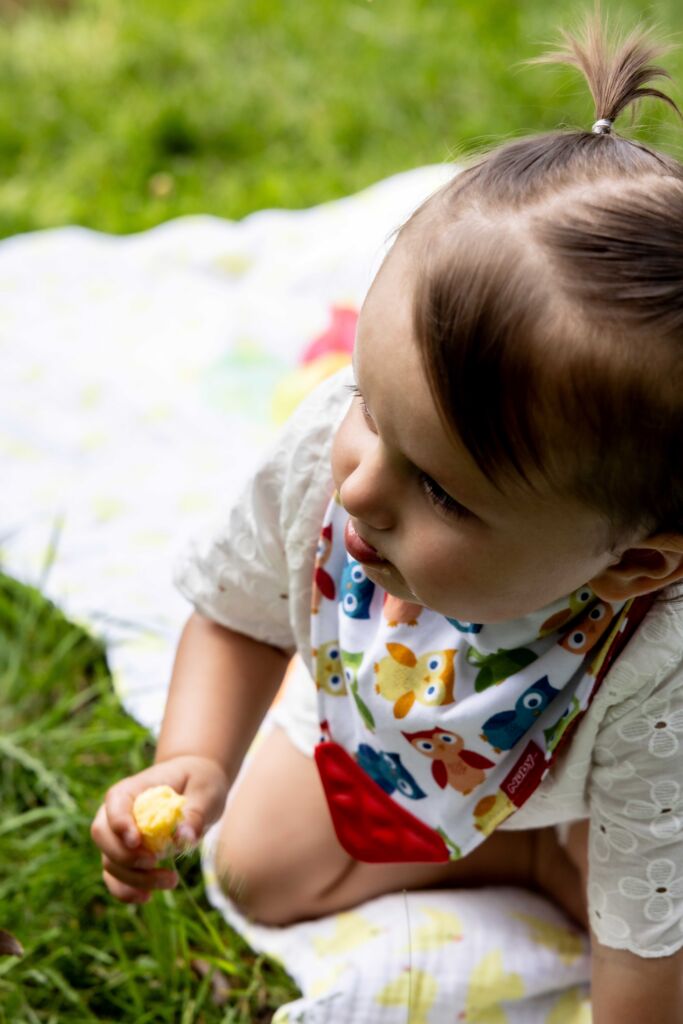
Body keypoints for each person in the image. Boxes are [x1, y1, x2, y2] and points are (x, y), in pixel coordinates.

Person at [92, 13, 683, 1021]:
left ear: (627, 565)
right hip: (397, 727)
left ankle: (548, 845)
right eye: (372, 403)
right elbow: (237, 609)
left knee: (639, 922)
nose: (362, 487)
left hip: (612, 785)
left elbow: (639, 968)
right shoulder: (342, 452)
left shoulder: (654, 670)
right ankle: (510, 835)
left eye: (445, 492)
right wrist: (191, 753)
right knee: (256, 867)